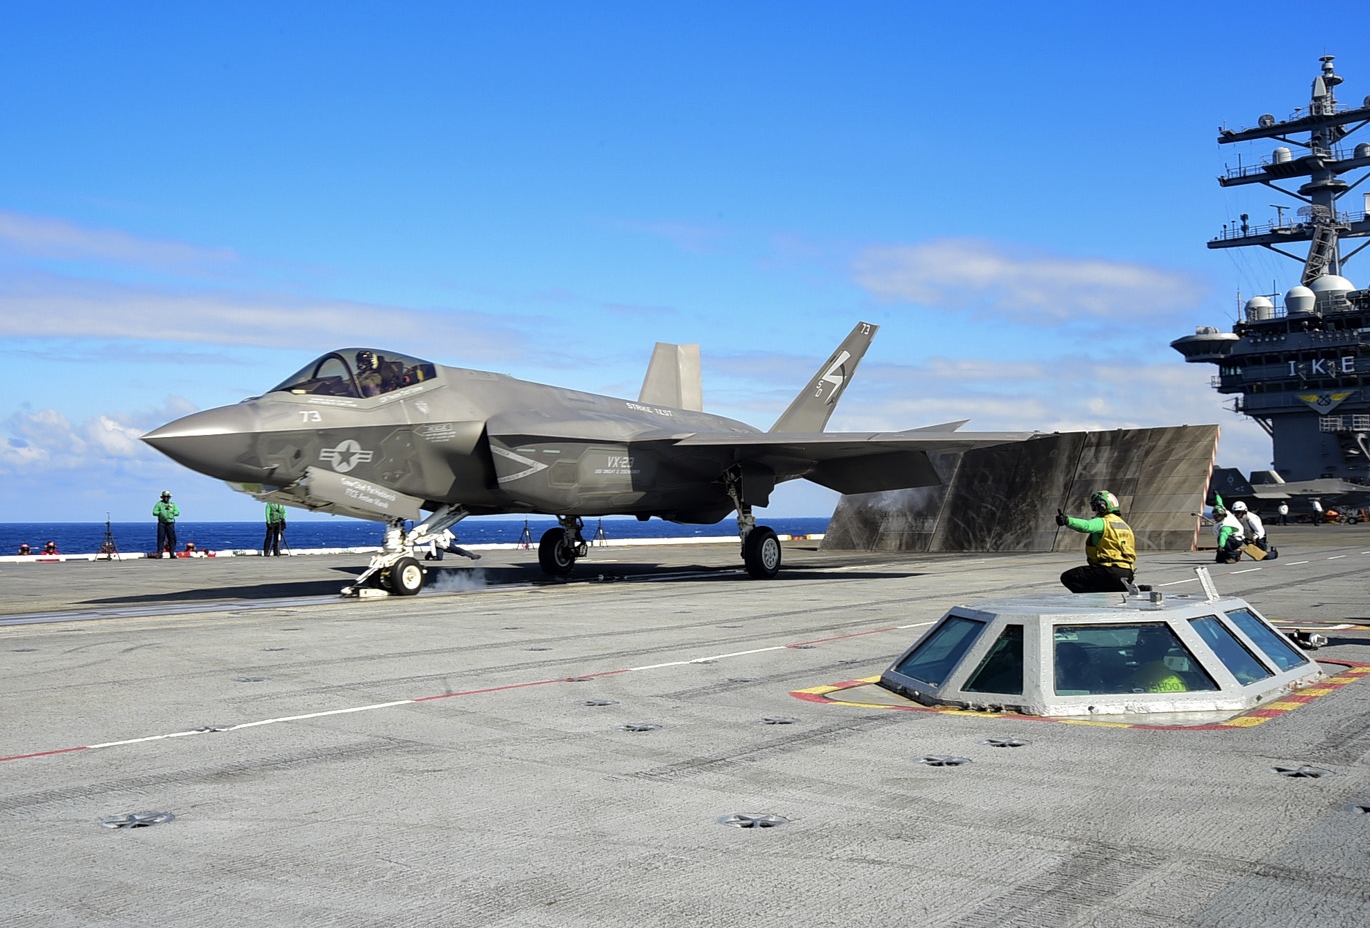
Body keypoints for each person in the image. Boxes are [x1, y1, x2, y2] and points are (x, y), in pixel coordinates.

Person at [1055, 490, 1137, 593]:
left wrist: (1067, 520)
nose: (1094, 510)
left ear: (1102, 506)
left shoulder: (1104, 522)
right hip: (1127, 573)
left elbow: (1086, 526)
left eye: (1095, 507)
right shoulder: (1125, 526)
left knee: (1069, 577)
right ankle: (1125, 588)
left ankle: (1093, 599)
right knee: (1100, 581)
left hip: (1108, 571)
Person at [153, 490, 179, 558]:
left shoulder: (172, 504)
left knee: (172, 538)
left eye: (167, 497)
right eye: (165, 497)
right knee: (161, 538)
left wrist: (173, 512)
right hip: (162, 523)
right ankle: (160, 553)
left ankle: (172, 552)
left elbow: (177, 512)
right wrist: (161, 512)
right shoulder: (159, 504)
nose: (166, 498)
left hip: (170, 523)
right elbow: (154, 512)